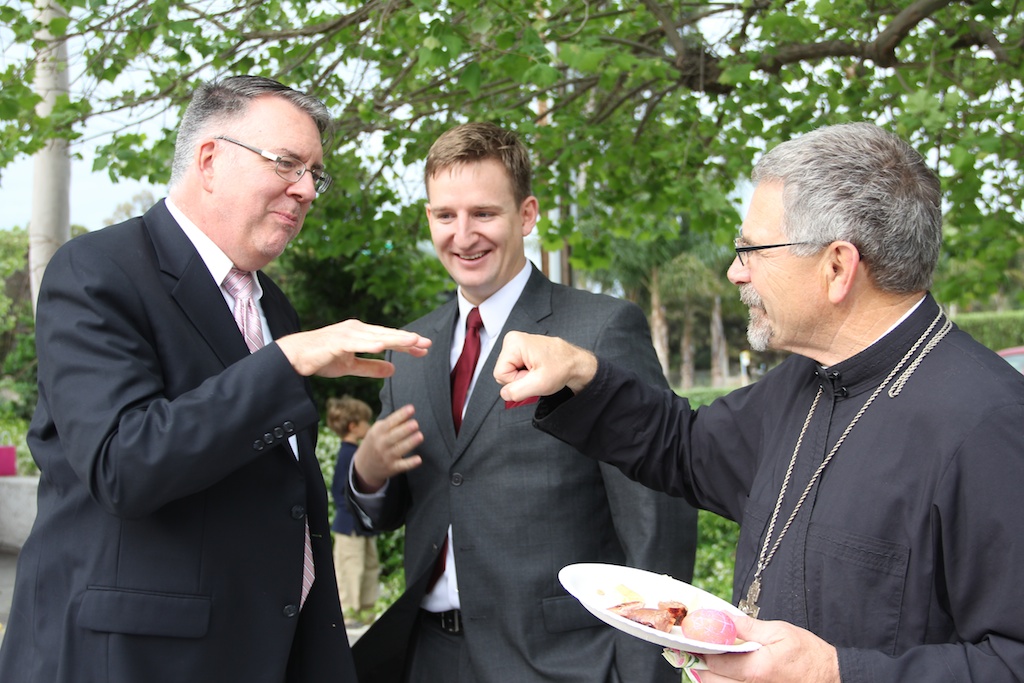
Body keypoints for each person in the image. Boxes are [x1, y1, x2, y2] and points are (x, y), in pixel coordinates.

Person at [493, 122, 1024, 682]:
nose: (735, 271)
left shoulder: (991, 427)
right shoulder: (805, 380)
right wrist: (581, 373)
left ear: (837, 267)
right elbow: (685, 448)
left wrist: (833, 673)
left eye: (752, 249)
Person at [0, 75, 431, 683]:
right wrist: (284, 363)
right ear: (209, 159)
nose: (307, 189)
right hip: (136, 661)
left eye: (315, 174)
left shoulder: (273, 306)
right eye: (287, 164)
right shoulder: (97, 270)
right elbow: (123, 464)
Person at [346, 121, 699, 683]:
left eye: (484, 213)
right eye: (446, 215)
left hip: (564, 663)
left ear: (527, 214)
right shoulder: (409, 349)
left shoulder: (601, 330)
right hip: (428, 659)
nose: (463, 235)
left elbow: (656, 520)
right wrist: (367, 475)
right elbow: (410, 506)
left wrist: (641, 673)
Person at [327, 395, 381, 626]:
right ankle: (347, 614)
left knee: (369, 565)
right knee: (350, 568)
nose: (369, 426)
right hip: (350, 525)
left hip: (363, 524)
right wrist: (354, 514)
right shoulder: (347, 454)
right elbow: (339, 490)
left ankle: (367, 611)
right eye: (365, 421)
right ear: (353, 426)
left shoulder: (357, 452)